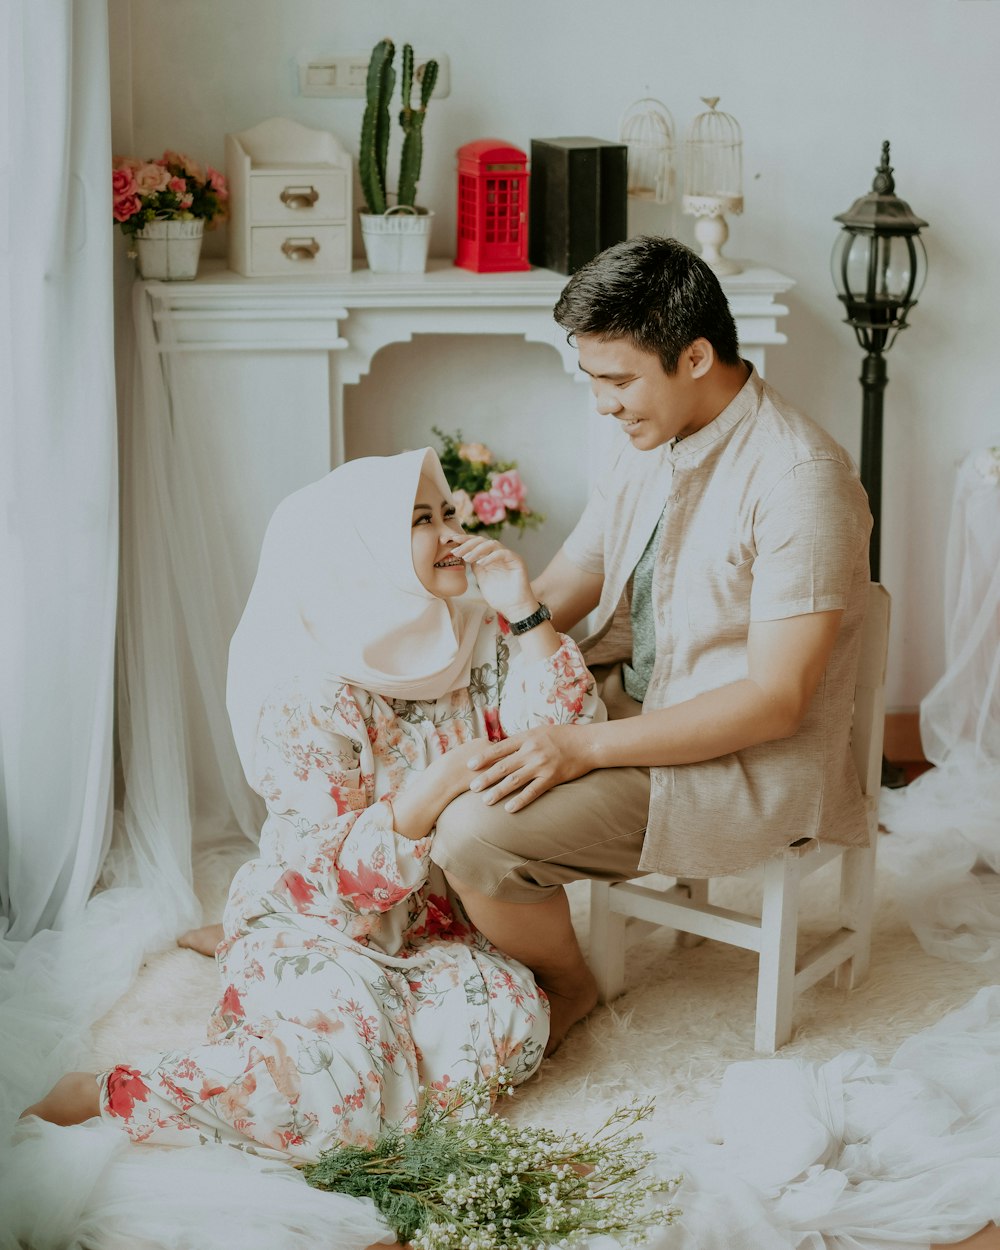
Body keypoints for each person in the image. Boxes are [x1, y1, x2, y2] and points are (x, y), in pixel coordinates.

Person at [21, 448, 605, 1159]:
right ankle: (108, 1091)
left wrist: (522, 605)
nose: (450, 530)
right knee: (337, 1092)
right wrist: (435, 785)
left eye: (448, 511)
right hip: (326, 923)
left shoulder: (483, 635)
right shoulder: (309, 694)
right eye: (421, 519)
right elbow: (329, 881)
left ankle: (239, 953)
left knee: (504, 1029)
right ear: (361, 550)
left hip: (443, 932)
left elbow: (575, 739)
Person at [431, 235, 876, 1053]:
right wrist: (447, 631)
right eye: (592, 379)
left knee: (472, 833)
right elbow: (571, 586)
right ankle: (307, 919)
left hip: (732, 760)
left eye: (618, 379)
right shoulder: (646, 441)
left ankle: (568, 987)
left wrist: (581, 746)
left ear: (696, 355)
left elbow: (775, 703)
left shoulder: (800, 479)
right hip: (619, 708)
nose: (603, 403)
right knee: (419, 734)